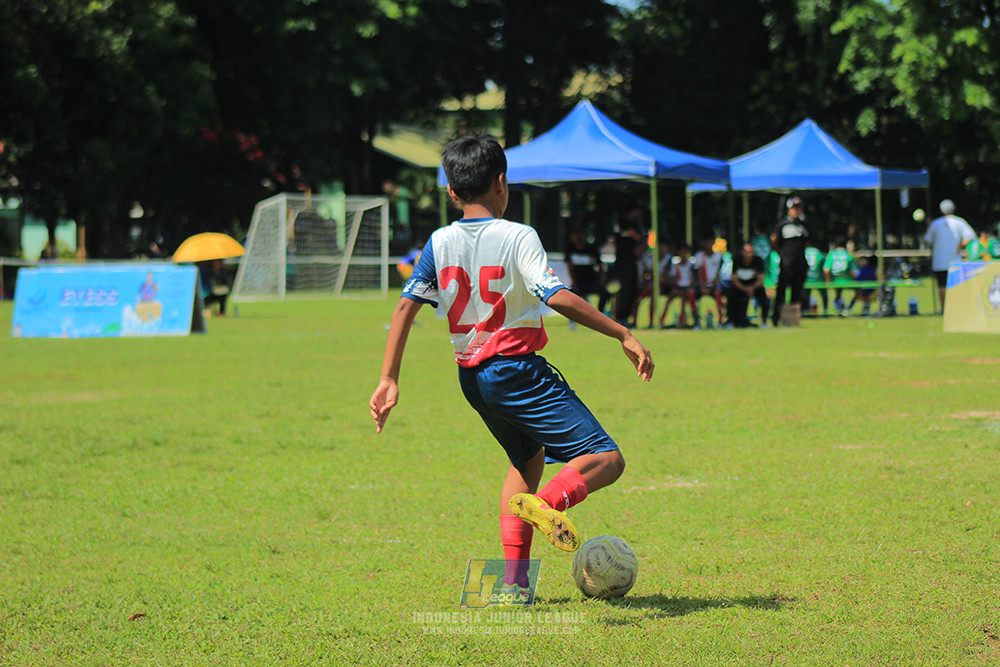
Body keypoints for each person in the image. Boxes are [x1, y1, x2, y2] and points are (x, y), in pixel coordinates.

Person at [369, 135, 654, 595]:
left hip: (473, 377)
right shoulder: (519, 235)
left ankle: (515, 585)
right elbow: (554, 295)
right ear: (502, 182)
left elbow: (405, 309)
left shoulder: (439, 241)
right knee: (606, 458)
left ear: (451, 191)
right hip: (516, 371)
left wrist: (388, 378)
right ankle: (545, 505)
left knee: (525, 461)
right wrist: (621, 332)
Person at [924, 199, 975, 313]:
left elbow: (928, 240)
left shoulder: (935, 223)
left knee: (942, 285)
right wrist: (960, 246)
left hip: (939, 261)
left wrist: (928, 227)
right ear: (953, 209)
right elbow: (970, 236)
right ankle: (955, 308)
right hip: (955, 260)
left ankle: (943, 309)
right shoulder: (959, 222)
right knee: (955, 285)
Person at [770, 196, 810, 326]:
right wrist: (782, 254)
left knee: (796, 292)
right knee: (781, 292)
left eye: (799, 208)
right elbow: (774, 240)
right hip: (786, 264)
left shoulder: (804, 225)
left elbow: (807, 242)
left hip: (800, 263)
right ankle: (776, 318)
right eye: (794, 208)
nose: (797, 211)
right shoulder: (783, 225)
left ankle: (791, 320)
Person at [565, 226, 609, 314]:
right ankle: (574, 317)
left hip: (592, 281)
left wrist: (601, 279)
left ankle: (600, 314)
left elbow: (600, 265)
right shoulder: (570, 250)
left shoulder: (591, 249)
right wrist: (574, 282)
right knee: (569, 296)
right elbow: (570, 267)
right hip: (578, 282)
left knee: (605, 293)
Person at [613, 202, 643, 326]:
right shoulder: (621, 223)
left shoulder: (635, 224)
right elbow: (637, 237)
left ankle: (627, 317)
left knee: (632, 289)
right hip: (622, 262)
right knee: (624, 289)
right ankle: (619, 317)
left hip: (632, 260)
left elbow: (639, 239)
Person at [727, 242, 766, 328]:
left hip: (754, 286)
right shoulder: (737, 261)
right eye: (746, 252)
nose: (748, 254)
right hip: (741, 286)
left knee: (763, 294)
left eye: (750, 252)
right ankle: (730, 321)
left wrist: (752, 288)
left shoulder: (758, 261)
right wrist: (745, 289)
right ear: (742, 252)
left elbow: (760, 279)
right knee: (732, 294)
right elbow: (734, 279)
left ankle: (764, 320)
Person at [659, 244, 697, 328]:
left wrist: (687, 289)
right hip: (677, 288)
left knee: (688, 298)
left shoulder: (691, 264)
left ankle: (691, 320)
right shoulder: (675, 264)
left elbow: (693, 279)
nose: (683, 254)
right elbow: (672, 278)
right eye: (681, 252)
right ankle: (662, 320)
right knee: (669, 300)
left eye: (685, 252)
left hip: (687, 288)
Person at [692, 236, 724, 329]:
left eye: (710, 242)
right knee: (691, 294)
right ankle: (696, 321)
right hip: (701, 284)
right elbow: (699, 273)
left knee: (718, 293)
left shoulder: (718, 256)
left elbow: (717, 274)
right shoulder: (699, 256)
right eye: (706, 242)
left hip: (714, 285)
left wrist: (710, 287)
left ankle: (720, 320)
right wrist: (702, 287)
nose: (708, 245)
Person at [822, 236, 858, 315]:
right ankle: (848, 309)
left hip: (836, 280)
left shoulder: (831, 255)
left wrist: (828, 280)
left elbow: (826, 270)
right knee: (858, 291)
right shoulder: (848, 255)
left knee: (838, 294)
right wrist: (856, 280)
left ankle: (839, 308)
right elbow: (853, 271)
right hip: (847, 280)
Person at [804, 238, 827, 316]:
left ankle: (806, 312)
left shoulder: (803, 252)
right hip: (818, 279)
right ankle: (825, 311)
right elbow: (823, 267)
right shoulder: (819, 253)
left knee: (805, 297)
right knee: (824, 296)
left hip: (807, 279)